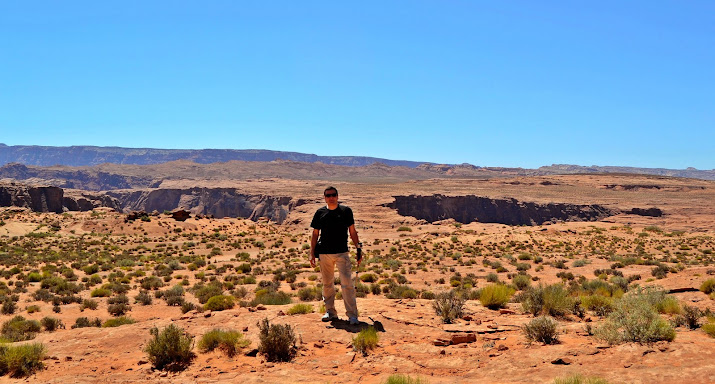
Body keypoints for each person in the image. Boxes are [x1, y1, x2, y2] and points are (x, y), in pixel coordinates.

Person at [309, 186, 362, 325]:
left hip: (342, 252)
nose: (331, 197)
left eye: (333, 195)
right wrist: (312, 253)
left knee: (347, 284)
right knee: (327, 284)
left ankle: (352, 315)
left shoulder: (346, 211)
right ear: (325, 197)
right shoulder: (320, 213)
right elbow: (315, 234)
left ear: (337, 196)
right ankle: (330, 312)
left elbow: (352, 231)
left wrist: (358, 248)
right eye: (328, 195)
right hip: (325, 253)